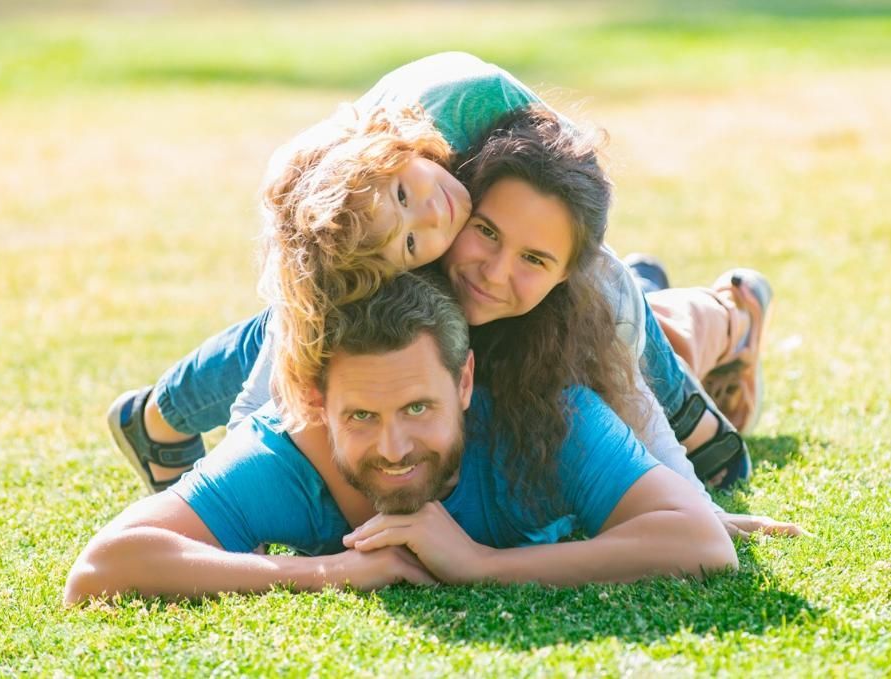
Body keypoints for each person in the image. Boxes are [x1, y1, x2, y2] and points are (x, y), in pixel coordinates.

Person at [108, 55, 779, 533]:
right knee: (306, 323)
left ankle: (729, 315)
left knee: (625, 308)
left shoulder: (472, 130)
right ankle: (157, 416)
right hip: (369, 266)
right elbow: (281, 377)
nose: (433, 220)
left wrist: (690, 495)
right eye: (481, 232)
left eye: (409, 195)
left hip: (592, 290)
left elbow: (629, 381)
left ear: (413, 151)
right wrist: (246, 483)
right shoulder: (375, 238)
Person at [63, 271, 738, 603]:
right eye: (361, 416)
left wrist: (482, 564)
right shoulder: (287, 451)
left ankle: (735, 312)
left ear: (465, 381)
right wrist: (333, 572)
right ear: (321, 403)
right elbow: (101, 567)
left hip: (621, 324)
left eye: (418, 407)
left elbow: (703, 543)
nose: (392, 446)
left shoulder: (545, 416)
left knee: (669, 324)